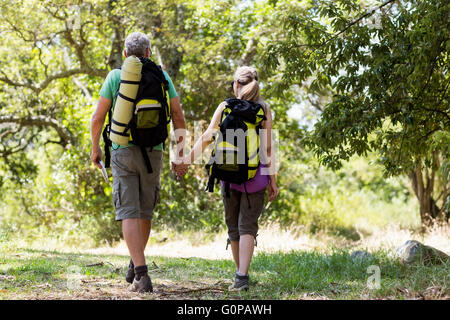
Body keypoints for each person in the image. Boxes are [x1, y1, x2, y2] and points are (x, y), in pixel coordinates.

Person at [90, 32, 186, 293]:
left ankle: (141, 273)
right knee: (144, 210)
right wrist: (180, 153)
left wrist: (95, 147)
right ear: (148, 53)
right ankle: (136, 263)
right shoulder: (162, 77)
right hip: (153, 151)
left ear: (124, 54)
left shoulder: (115, 76)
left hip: (122, 151)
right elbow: (177, 115)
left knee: (128, 210)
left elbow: (98, 118)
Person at [177, 66, 278, 291]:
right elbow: (268, 149)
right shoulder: (263, 109)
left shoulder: (225, 106)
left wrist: (186, 160)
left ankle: (240, 276)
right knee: (248, 226)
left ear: (236, 84)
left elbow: (207, 137)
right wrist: (273, 180)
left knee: (234, 226)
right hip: (256, 177)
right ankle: (242, 275)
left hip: (228, 174)